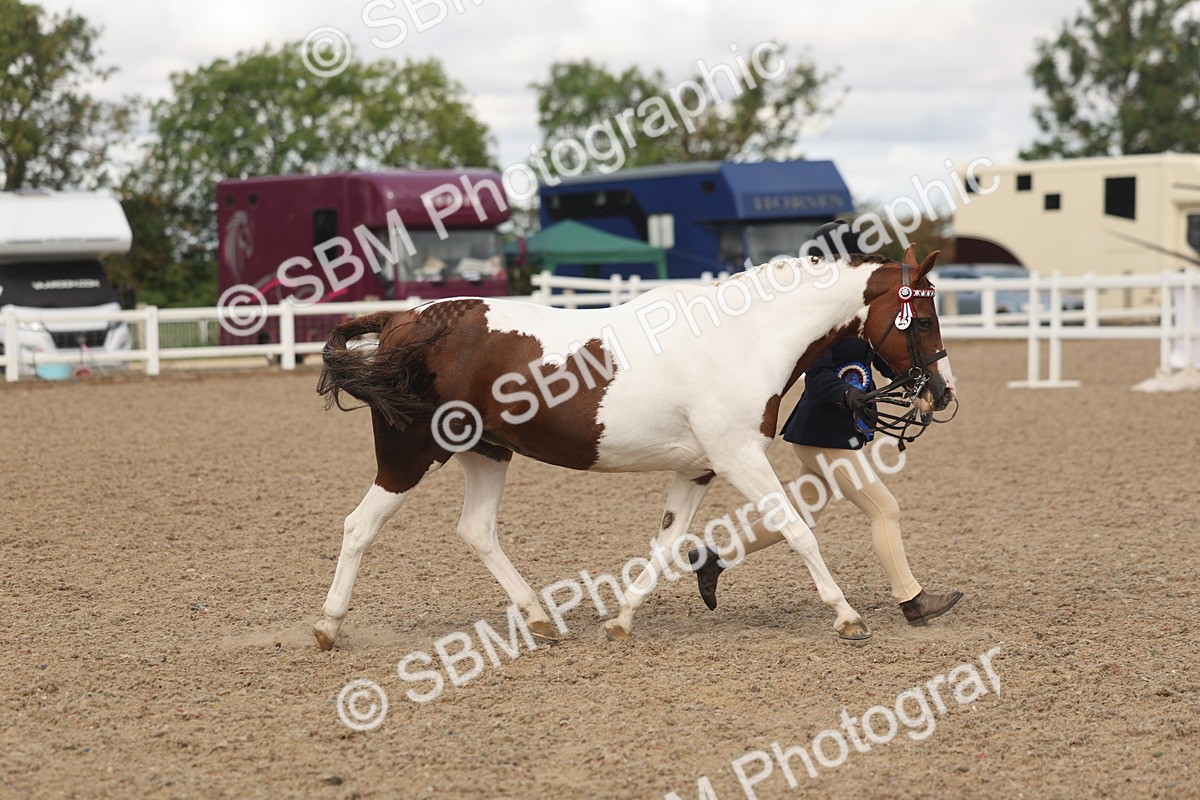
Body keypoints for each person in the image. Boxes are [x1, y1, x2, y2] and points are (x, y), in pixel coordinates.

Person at [688, 221, 963, 627]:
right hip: (824, 432)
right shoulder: (815, 320)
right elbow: (817, 376)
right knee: (884, 509)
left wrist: (920, 389)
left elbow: (883, 359)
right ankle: (911, 599)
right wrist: (849, 396)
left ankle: (714, 558)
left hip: (834, 431)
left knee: (798, 512)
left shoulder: (858, 314)